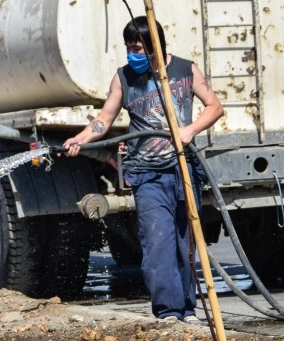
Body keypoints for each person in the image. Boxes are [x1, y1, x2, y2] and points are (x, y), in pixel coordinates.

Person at [63, 16, 224, 322]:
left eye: (137, 47)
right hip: (146, 174)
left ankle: (189, 310)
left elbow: (215, 107)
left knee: (185, 243)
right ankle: (168, 312)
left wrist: (189, 130)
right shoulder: (123, 78)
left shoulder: (184, 70)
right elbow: (105, 119)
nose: (132, 54)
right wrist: (80, 139)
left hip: (183, 169)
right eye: (128, 47)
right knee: (157, 243)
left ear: (155, 46)